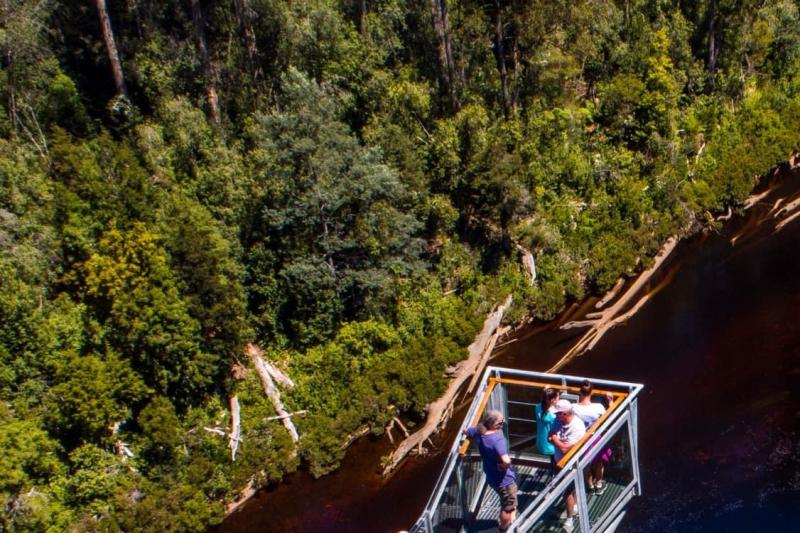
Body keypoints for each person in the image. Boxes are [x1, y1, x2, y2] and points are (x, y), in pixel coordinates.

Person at [463, 410, 517, 531]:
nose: (502, 424)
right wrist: (505, 466)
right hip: (505, 481)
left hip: (491, 475)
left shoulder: (479, 431)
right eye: (500, 423)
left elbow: (467, 431)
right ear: (492, 424)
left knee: (507, 501)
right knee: (507, 507)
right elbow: (506, 460)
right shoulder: (496, 440)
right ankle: (503, 528)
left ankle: (512, 517)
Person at [549, 399, 586, 532]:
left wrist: (555, 440)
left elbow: (565, 450)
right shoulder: (558, 421)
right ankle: (574, 507)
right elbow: (550, 435)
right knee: (569, 491)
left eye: (558, 414)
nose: (555, 416)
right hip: (558, 461)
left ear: (565, 413)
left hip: (571, 465)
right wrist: (559, 441)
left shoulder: (577, 426)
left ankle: (569, 519)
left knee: (567, 494)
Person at [572, 380, 612, 495]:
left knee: (585, 464)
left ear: (580, 391)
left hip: (580, 439)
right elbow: (609, 417)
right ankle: (599, 484)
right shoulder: (598, 407)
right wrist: (610, 402)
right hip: (595, 439)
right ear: (592, 392)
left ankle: (589, 486)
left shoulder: (573, 407)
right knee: (599, 462)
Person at [535, 388, 559, 469]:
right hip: (553, 443)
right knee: (556, 461)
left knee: (552, 460)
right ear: (553, 400)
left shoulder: (538, 407)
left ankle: (553, 472)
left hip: (542, 441)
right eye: (557, 397)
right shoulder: (555, 413)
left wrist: (547, 392)